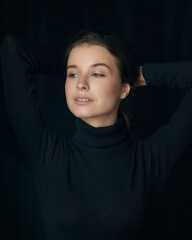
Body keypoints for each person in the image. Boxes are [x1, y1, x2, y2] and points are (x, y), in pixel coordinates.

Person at [1, 28, 192, 240]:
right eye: (72, 74)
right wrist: (74, 69)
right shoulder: (47, 155)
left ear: (124, 89)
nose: (81, 84)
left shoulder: (151, 160)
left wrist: (138, 74)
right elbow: (13, 50)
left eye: (97, 74)